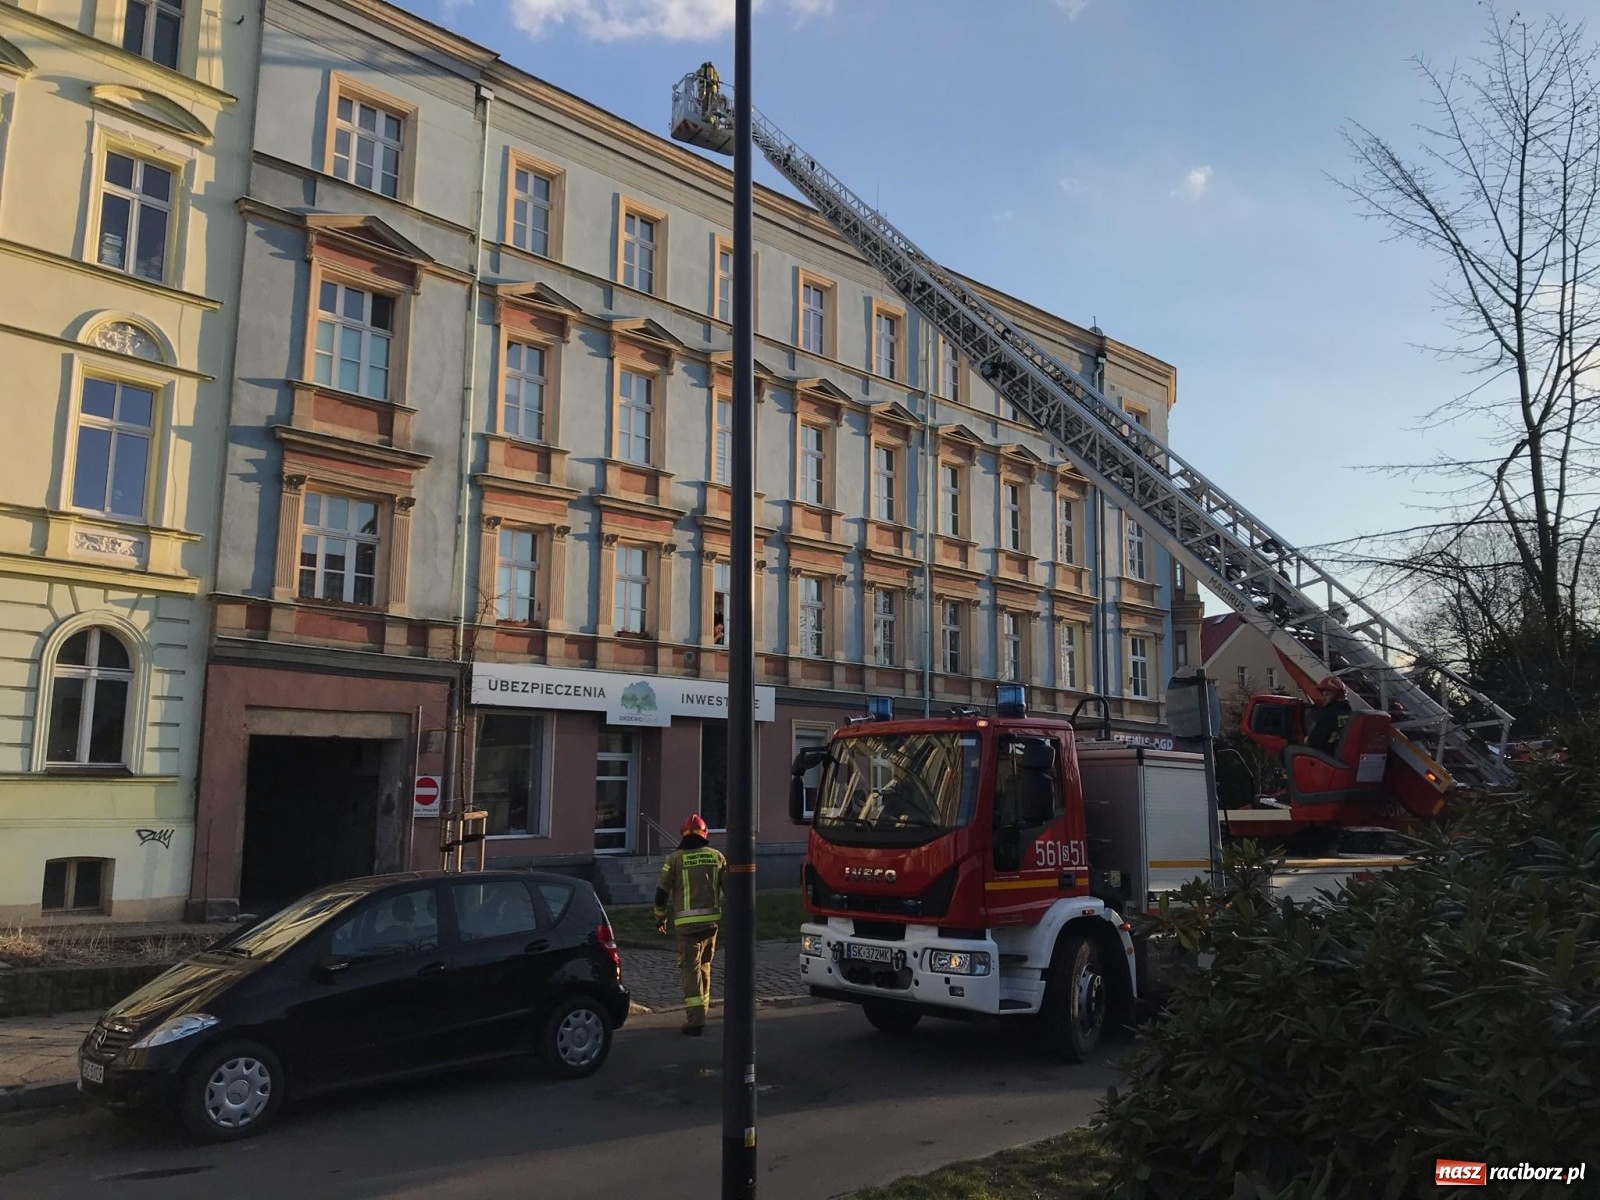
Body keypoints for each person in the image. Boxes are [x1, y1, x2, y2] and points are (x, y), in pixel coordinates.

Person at [653, 814, 726, 1036]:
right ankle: (702, 1010)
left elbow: (661, 892)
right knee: (705, 966)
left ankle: (695, 1021)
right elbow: (732, 888)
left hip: (686, 927)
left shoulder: (674, 859)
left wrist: (660, 918)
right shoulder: (717, 857)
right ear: (705, 835)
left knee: (689, 970)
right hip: (711, 923)